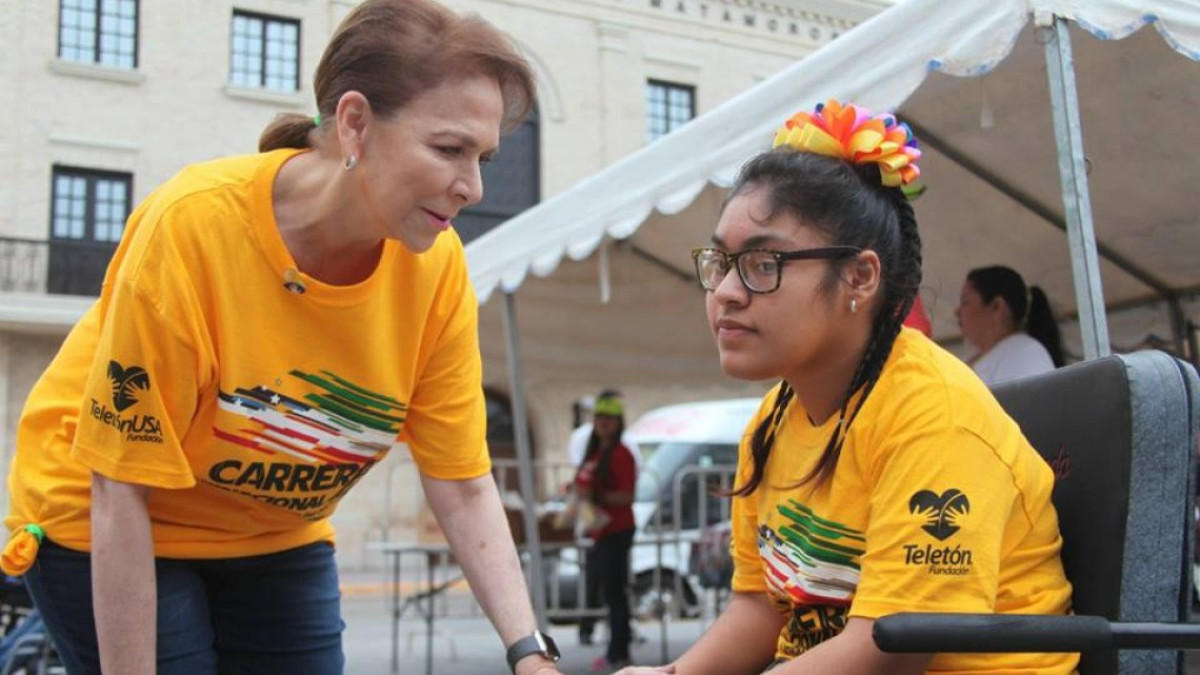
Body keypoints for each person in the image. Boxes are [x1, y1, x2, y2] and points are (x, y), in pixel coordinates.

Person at [0, 2, 567, 674]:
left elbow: (464, 483)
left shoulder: (437, 265)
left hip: (273, 532)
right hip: (109, 517)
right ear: (355, 122)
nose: (472, 186)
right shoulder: (194, 226)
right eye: (448, 148)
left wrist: (530, 653)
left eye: (484, 156)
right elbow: (118, 487)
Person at [618, 100, 1075, 674]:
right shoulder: (771, 421)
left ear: (859, 276)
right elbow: (761, 607)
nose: (726, 291)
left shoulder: (934, 415)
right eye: (721, 261)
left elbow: (891, 652)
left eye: (763, 263)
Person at [572, 394, 638, 672]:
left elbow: (626, 496)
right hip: (600, 531)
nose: (603, 424)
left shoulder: (621, 454)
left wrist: (596, 496)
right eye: (599, 419)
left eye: (608, 419)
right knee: (606, 592)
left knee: (615, 594)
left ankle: (618, 651)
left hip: (616, 530)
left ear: (618, 422)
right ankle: (614, 649)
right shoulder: (595, 453)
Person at [956, 265, 1064, 386]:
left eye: (965, 302)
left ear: (997, 306)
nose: (957, 312)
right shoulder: (972, 357)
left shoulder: (1025, 354)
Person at [567, 389, 640, 468]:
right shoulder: (581, 435)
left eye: (609, 419)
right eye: (601, 418)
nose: (604, 423)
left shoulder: (625, 445)